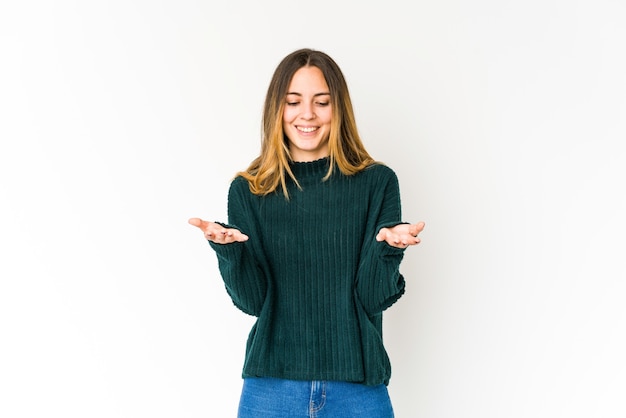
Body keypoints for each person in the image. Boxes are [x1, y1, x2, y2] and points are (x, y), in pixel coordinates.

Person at [189, 48, 425, 417]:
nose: (308, 114)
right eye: (293, 101)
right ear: (277, 110)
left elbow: (372, 296)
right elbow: (254, 302)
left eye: (322, 102)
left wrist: (388, 251)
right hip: (271, 389)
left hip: (357, 388)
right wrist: (230, 254)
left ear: (339, 109)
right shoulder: (249, 190)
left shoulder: (376, 183)